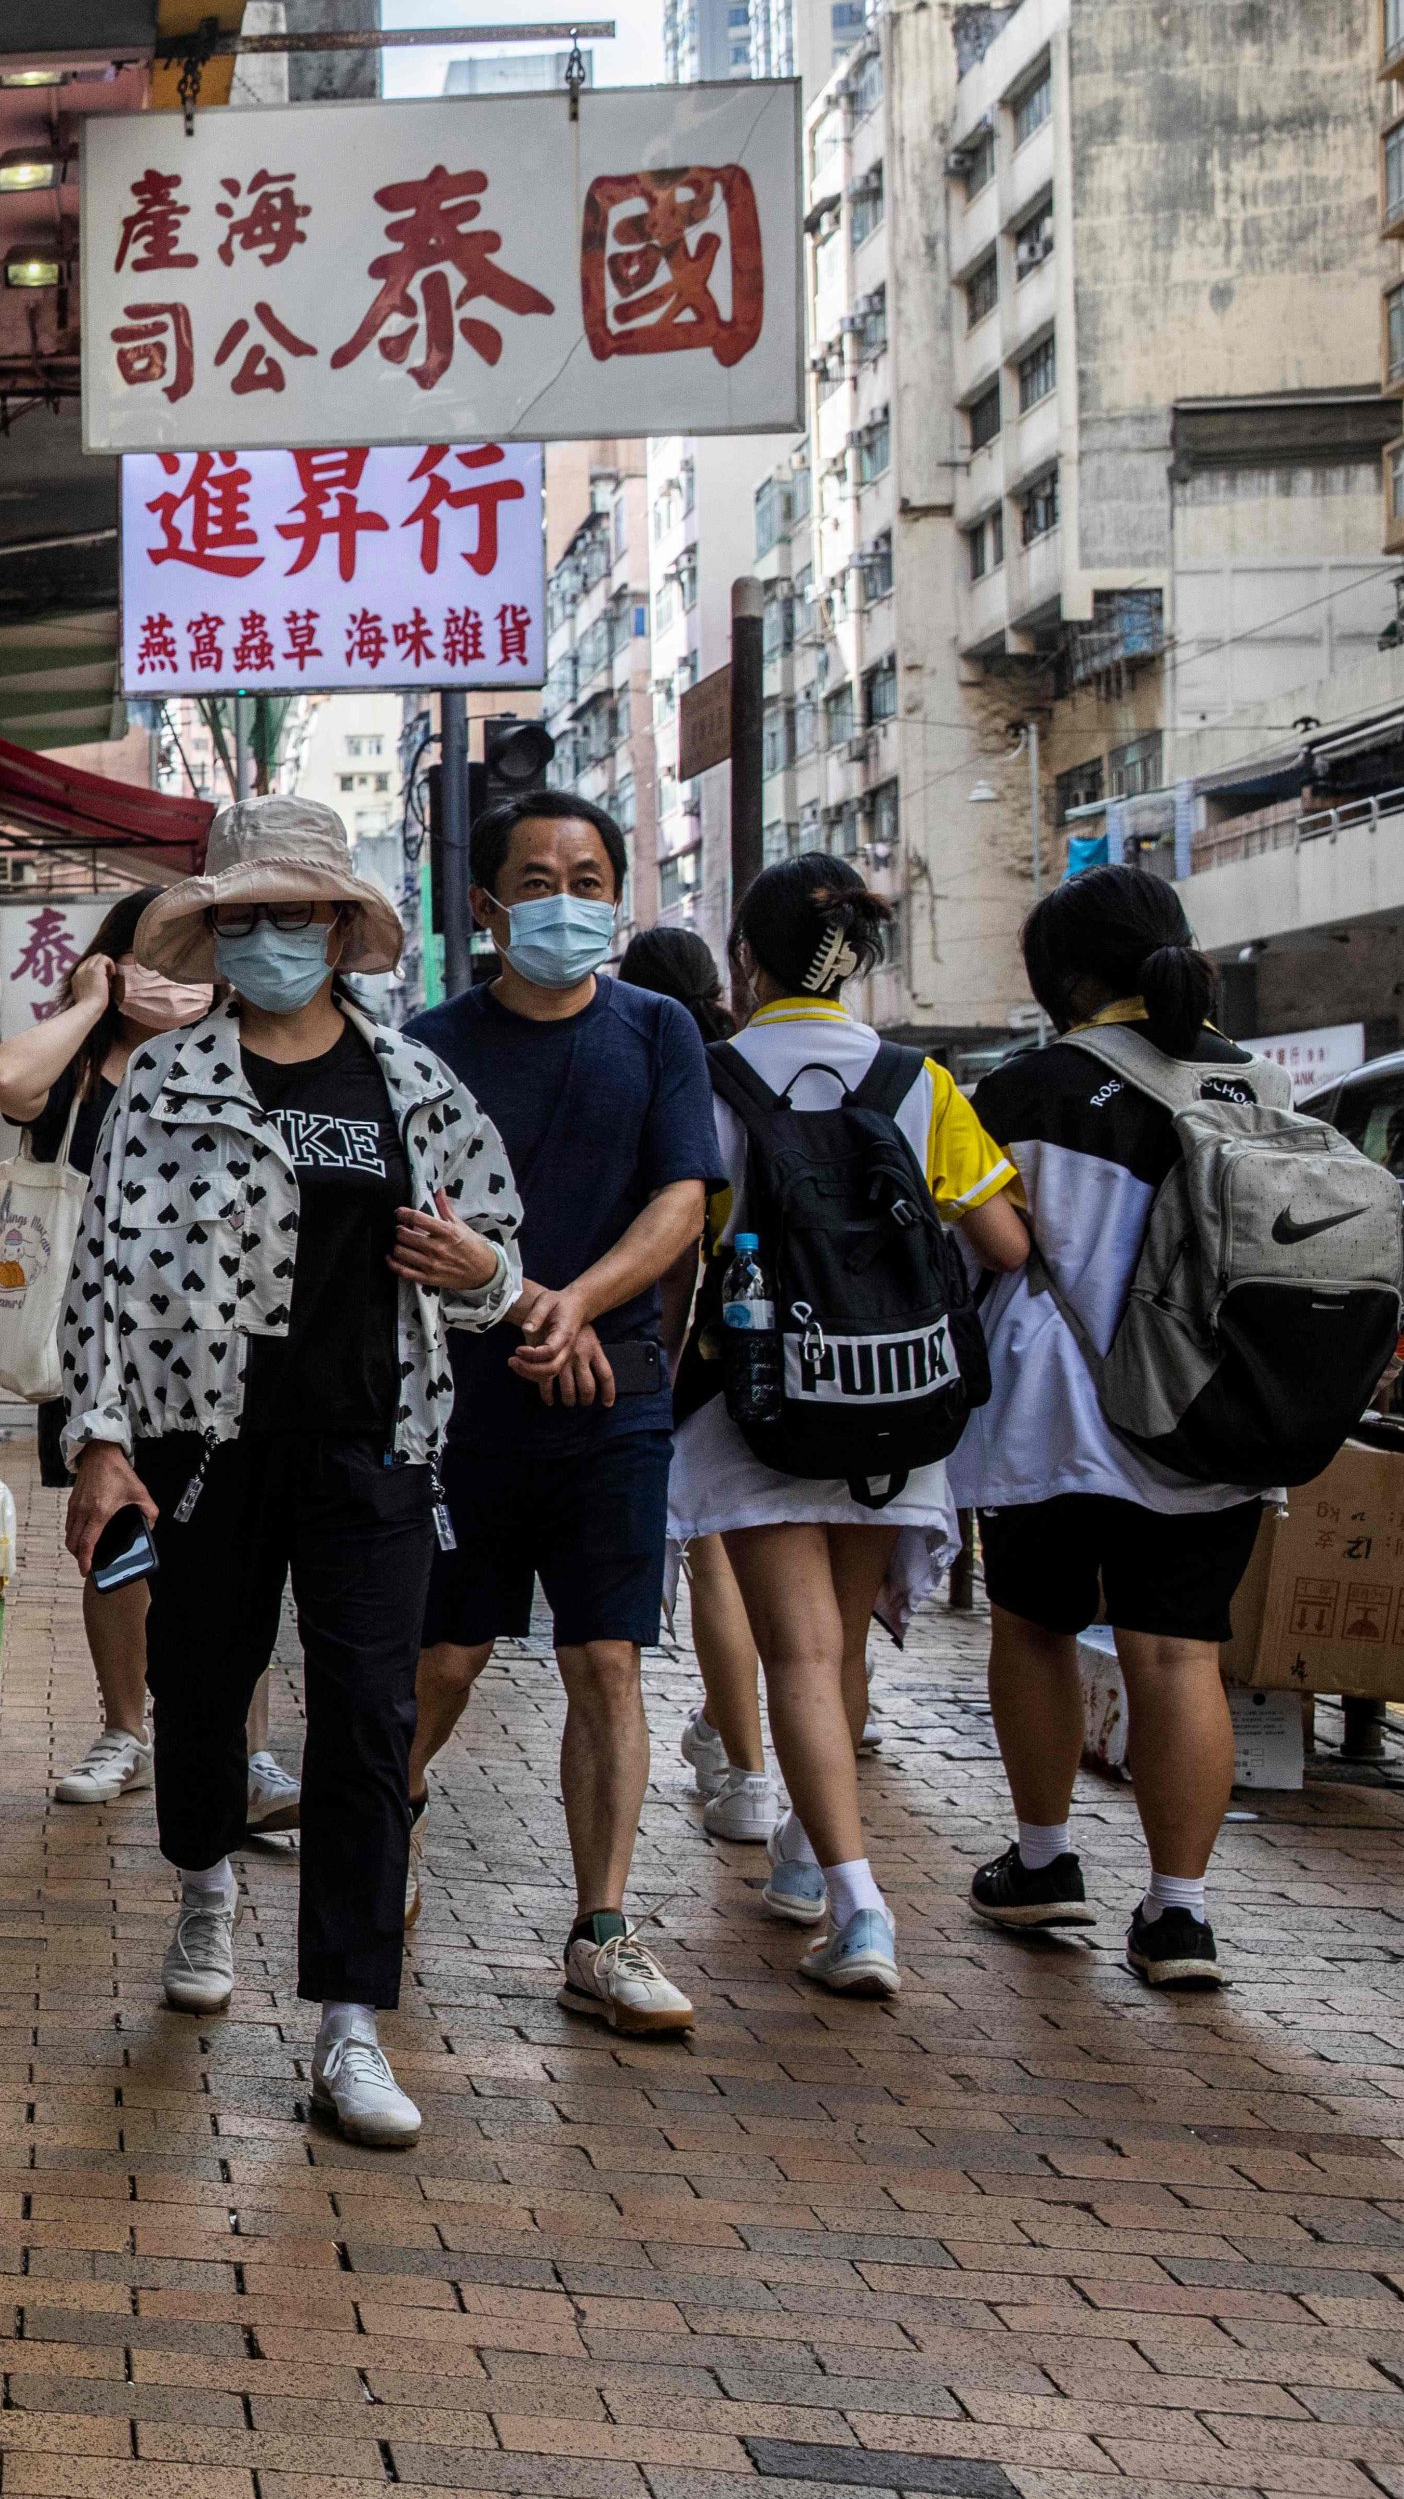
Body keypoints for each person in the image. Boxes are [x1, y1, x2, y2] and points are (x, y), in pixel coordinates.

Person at [55, 797, 526, 2148]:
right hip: (203, 1441)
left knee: (368, 1717)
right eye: (244, 917)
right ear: (218, 932)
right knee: (201, 1689)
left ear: (339, 928)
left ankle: (349, 2025)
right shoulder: (164, 1081)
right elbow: (103, 1277)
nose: (270, 939)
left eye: (295, 915)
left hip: (376, 1437)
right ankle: (204, 1889)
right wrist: (99, 1439)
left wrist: (485, 1274)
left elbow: (496, 1255)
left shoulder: (415, 1084)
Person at [670, 855, 1030, 2000]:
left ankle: (858, 1901)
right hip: (898, 1400)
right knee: (845, 1645)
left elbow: (684, 1241)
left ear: (746, 959)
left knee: (799, 1653)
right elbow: (1005, 1247)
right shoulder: (920, 1082)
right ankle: (801, 1858)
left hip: (763, 1401)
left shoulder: (710, 1076)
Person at [405, 792, 721, 2038]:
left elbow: (680, 1196)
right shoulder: (428, 1044)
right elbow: (423, 1223)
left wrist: (579, 1305)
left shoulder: (657, 1031)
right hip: (463, 1400)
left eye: (587, 877)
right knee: (444, 1658)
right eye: (534, 880)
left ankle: (600, 1928)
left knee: (607, 1657)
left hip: (615, 1393)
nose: (564, 899)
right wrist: (530, 1309)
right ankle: (401, 1812)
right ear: (484, 908)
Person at [951, 869, 1263, 1989]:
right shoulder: (1257, 1083)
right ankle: (1178, 1916)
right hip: (1215, 1419)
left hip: (1060, 1417)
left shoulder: (1029, 1089)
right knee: (1180, 1653)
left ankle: (1042, 1863)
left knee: (1033, 1626)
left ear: (1066, 978)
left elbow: (981, 1250)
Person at [0, 893, 305, 1829]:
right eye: (150, 960)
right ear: (115, 961)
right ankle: (126, 1731)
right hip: (96, 1344)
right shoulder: (83, 1072)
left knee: (233, 1553)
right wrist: (88, 1004)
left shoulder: (239, 1060)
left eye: (192, 961)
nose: (175, 981)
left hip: (218, 1349)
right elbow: (7, 1080)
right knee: (116, 1547)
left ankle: (245, 1756)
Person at [619, 925, 786, 1849]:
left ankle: (745, 1772)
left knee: (716, 1561)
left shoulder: (668, 1068)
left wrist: (669, 1348)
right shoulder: (739, 1061)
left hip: (698, 1348)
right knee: (804, 1568)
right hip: (800, 1352)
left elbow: (679, 1237)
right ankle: (739, 1743)